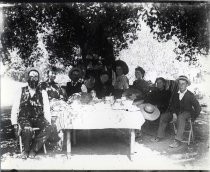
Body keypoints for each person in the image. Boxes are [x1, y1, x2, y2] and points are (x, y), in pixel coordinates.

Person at [11, 68, 52, 159]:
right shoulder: (21, 91)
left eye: (35, 77)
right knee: (27, 129)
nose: (33, 78)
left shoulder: (43, 92)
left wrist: (48, 121)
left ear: (38, 79)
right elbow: (15, 108)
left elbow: (46, 108)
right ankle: (26, 150)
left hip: (39, 118)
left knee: (49, 127)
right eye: (31, 76)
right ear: (27, 78)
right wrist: (14, 123)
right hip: (24, 118)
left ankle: (34, 149)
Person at [152, 75, 201, 148]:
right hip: (176, 112)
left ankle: (177, 141)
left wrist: (193, 118)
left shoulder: (190, 95)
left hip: (187, 113)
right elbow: (172, 105)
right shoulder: (175, 94)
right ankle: (160, 136)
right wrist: (174, 113)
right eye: (179, 83)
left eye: (183, 83)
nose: (181, 85)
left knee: (181, 117)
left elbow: (198, 108)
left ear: (187, 85)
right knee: (164, 116)